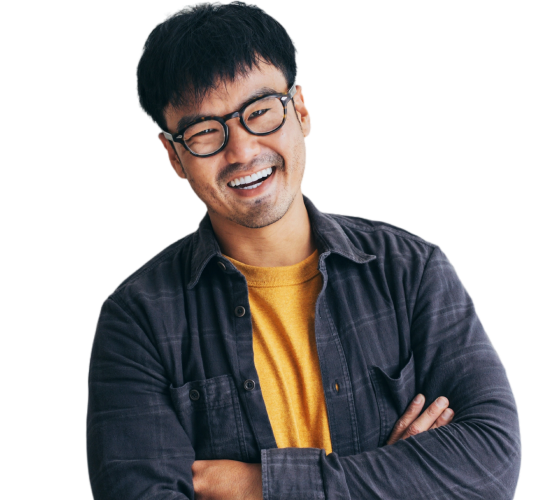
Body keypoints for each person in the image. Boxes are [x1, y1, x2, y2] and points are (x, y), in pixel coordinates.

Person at [86, 2, 522, 498]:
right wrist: (399, 477)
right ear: (174, 156)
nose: (243, 151)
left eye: (260, 112)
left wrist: (257, 484)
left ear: (301, 110)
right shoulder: (136, 320)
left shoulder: (411, 271)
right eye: (205, 132)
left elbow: (492, 463)